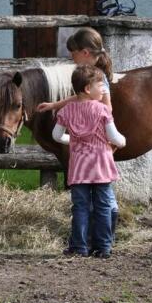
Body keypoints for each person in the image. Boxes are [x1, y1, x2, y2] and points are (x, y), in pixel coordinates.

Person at [37, 27, 120, 243]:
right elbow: (79, 98)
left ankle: (95, 241)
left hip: (96, 142)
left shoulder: (97, 79)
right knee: (100, 197)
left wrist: (102, 129)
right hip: (96, 143)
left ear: (84, 52)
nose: (71, 58)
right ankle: (102, 243)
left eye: (73, 53)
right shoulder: (89, 77)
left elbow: (107, 109)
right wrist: (55, 104)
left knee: (95, 200)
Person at [52, 65, 126, 258]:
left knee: (80, 207)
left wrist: (73, 140)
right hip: (101, 166)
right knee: (103, 206)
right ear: (87, 89)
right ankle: (103, 247)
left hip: (78, 168)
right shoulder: (102, 110)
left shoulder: (67, 111)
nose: (103, 89)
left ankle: (79, 246)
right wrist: (123, 141)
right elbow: (115, 138)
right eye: (100, 84)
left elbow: (57, 136)